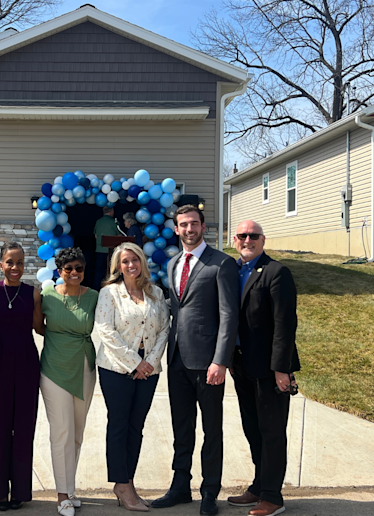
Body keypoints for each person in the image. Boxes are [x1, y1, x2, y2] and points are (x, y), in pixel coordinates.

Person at [152, 205, 240, 516]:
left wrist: (221, 360)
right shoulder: (174, 262)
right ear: (176, 229)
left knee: (211, 429)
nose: (189, 229)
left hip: (208, 363)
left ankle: (209, 491)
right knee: (182, 428)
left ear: (203, 226)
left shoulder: (222, 263)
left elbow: (229, 317)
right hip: (177, 360)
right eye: (183, 225)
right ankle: (180, 487)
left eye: (194, 224)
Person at [227, 221, 299, 516]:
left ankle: (272, 496)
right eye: (242, 236)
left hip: (269, 368)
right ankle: (258, 486)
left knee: (271, 430)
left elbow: (285, 324)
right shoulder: (232, 270)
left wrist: (281, 369)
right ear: (235, 240)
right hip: (241, 364)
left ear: (263, 240)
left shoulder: (276, 272)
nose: (248, 240)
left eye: (253, 236)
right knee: (252, 428)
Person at [94, 242, 169, 512]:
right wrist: (135, 363)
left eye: (134, 260)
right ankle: (121, 484)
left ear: (142, 263)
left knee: (136, 426)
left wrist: (149, 363)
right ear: (118, 266)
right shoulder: (109, 293)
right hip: (116, 369)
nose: (130, 265)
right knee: (119, 425)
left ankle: (128, 481)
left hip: (149, 371)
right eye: (125, 261)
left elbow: (164, 329)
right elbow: (106, 331)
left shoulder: (157, 293)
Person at [0, 242, 45, 511]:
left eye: (20, 262)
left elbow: (40, 328)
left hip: (27, 363)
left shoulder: (33, 293)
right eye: (10, 262)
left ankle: (20, 490)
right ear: (1, 264)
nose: (15, 267)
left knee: (23, 429)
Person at [40, 247, 99, 516]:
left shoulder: (95, 297)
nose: (74, 273)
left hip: (84, 368)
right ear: (59, 271)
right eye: (68, 269)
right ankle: (61, 494)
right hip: (54, 368)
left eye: (79, 268)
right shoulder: (46, 296)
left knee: (76, 432)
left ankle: (70, 487)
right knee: (61, 431)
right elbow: (38, 326)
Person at [93, 207, 121, 288]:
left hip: (99, 249)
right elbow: (119, 236)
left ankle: (96, 288)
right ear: (112, 211)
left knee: (99, 271)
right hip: (111, 251)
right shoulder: (114, 222)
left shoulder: (98, 221)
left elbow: (95, 236)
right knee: (111, 270)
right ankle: (111, 287)